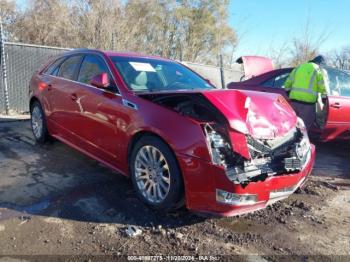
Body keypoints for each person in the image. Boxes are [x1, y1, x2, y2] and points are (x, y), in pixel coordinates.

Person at [283, 55, 327, 131]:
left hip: (294, 101)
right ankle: (299, 141)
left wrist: (289, 93)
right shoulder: (317, 69)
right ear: (320, 63)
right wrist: (324, 99)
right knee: (304, 128)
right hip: (307, 104)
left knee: (292, 124)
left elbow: (287, 83)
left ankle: (290, 140)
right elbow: (322, 87)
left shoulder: (299, 67)